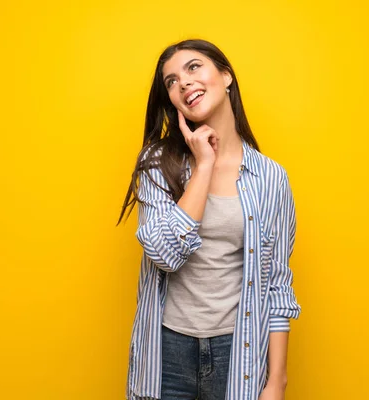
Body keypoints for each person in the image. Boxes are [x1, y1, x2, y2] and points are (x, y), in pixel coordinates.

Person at [117, 39, 301, 400]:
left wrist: (276, 382)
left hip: (239, 350)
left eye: (193, 67)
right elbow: (165, 255)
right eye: (170, 81)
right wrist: (204, 166)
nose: (182, 83)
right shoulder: (157, 163)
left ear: (226, 76)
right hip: (167, 351)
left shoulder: (271, 178)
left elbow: (277, 284)